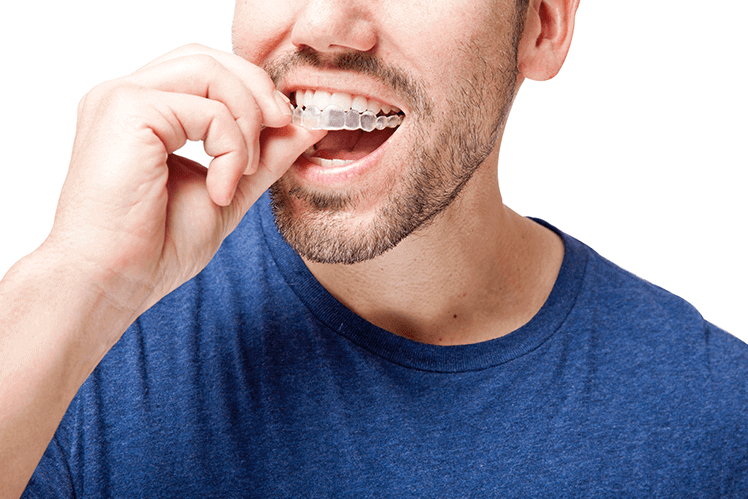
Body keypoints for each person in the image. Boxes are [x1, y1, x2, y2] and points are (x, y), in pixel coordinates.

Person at [1, 0, 746, 496]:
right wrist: (77, 277)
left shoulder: (718, 418)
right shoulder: (76, 351)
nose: (325, 23)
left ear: (543, 24)